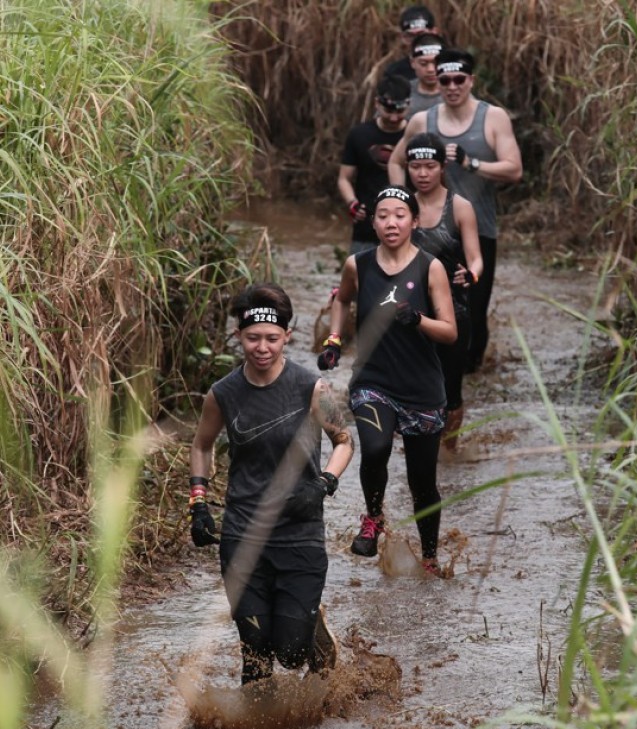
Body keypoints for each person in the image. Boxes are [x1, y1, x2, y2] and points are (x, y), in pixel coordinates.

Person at [189, 283, 354, 686]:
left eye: (271, 338)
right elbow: (201, 445)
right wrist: (198, 503)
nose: (262, 347)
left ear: (287, 337)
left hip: (299, 533)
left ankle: (312, 633)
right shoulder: (223, 394)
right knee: (255, 649)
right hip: (243, 532)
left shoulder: (312, 389)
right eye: (252, 338)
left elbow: (345, 442)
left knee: (290, 653)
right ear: (239, 337)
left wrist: (324, 483)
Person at [316, 185, 456, 575]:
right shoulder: (357, 265)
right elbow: (342, 299)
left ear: (415, 221)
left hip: (423, 388)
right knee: (374, 448)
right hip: (373, 381)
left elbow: (450, 331)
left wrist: (419, 320)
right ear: (373, 222)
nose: (391, 222)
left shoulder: (431, 267)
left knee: (422, 483)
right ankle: (373, 518)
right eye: (382, 215)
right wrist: (333, 340)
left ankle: (430, 559)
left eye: (399, 215)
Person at [388, 48, 523, 373]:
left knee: (473, 310)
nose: (451, 86)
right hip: (428, 229)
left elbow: (515, 170)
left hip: (478, 229)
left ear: (471, 80)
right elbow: (396, 160)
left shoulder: (493, 117)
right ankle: (431, 379)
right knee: (422, 304)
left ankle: (469, 375)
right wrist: (399, 203)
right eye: (445, 79)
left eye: (458, 79)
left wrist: (470, 162)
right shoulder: (424, 120)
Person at [406, 132, 483, 452]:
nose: (422, 174)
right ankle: (416, 444)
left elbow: (476, 257)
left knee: (451, 384)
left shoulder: (461, 206)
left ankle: (448, 449)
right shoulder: (400, 206)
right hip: (409, 309)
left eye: (429, 166)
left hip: (454, 307)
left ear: (442, 167)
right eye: (415, 166)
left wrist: (473, 274)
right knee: (411, 382)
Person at [338, 74, 411, 255]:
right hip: (367, 224)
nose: (394, 117)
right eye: (389, 110)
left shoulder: (415, 135)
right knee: (361, 280)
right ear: (377, 103)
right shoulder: (359, 134)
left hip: (407, 225)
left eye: (400, 111)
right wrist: (352, 204)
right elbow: (344, 178)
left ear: (409, 105)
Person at [384, 5, 439, 81]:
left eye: (421, 34)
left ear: (434, 32)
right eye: (410, 36)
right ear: (402, 38)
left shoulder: (453, 63)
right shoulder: (395, 72)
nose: (416, 40)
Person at [406, 33, 445, 119]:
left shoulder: (457, 93)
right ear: (413, 62)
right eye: (423, 64)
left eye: (436, 63)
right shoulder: (402, 92)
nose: (430, 69)